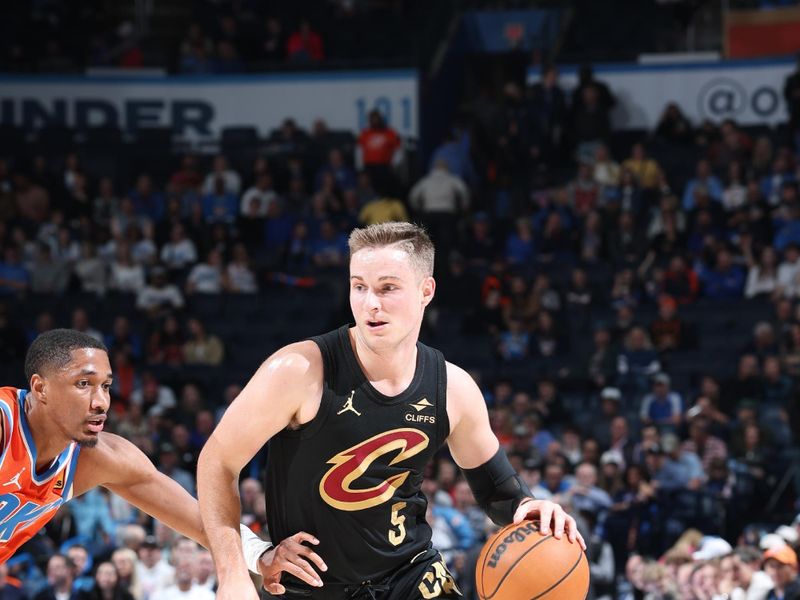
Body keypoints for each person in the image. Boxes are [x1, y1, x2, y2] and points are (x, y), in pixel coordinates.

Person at [197, 222, 585, 599]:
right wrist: (233, 573)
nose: (371, 303)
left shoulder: (453, 388)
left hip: (412, 575)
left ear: (426, 291)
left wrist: (530, 505)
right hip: (314, 587)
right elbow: (217, 462)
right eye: (359, 287)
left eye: (387, 288)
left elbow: (498, 491)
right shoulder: (298, 370)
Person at [0, 330, 277, 576]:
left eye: (106, 386)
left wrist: (262, 555)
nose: (101, 402)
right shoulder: (5, 423)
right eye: (83, 384)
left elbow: (202, 523)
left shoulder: (100, 456)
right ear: (40, 388)